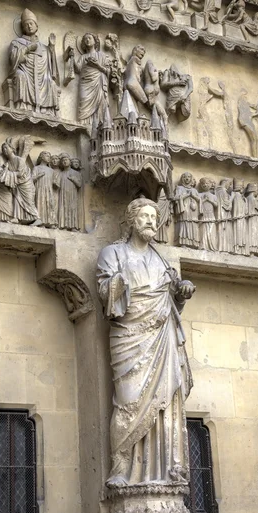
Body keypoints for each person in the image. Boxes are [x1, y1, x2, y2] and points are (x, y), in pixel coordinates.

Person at [96, 197, 195, 487]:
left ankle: (167, 468)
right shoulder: (112, 253)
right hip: (129, 335)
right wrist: (120, 283)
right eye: (145, 216)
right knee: (127, 400)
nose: (152, 221)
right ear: (130, 221)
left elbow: (172, 301)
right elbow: (105, 293)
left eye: (155, 217)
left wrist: (181, 292)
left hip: (161, 336)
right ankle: (120, 465)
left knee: (165, 402)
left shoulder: (161, 260)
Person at [8, 9, 59, 115]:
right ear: (22, 28)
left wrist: (52, 49)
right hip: (26, 74)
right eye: (26, 25)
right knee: (20, 75)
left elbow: (52, 69)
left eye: (31, 24)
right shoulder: (17, 43)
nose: (29, 26)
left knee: (50, 81)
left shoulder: (44, 48)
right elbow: (13, 59)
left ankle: (47, 109)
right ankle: (23, 104)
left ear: (37, 26)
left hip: (41, 77)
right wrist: (27, 48)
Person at [72, 32, 111, 124]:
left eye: (89, 38)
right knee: (83, 101)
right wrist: (72, 58)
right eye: (85, 39)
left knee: (99, 104)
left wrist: (97, 66)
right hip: (85, 83)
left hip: (97, 82)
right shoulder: (83, 57)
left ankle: (97, 125)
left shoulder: (101, 55)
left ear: (95, 41)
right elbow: (77, 69)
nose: (87, 40)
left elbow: (108, 71)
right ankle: (84, 125)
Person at [32, 150, 58, 227]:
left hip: (49, 190)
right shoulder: (36, 168)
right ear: (41, 157)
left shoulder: (51, 170)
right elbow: (31, 179)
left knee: (50, 204)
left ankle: (51, 222)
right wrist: (38, 176)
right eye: (47, 156)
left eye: (49, 157)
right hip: (39, 189)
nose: (49, 158)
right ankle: (40, 221)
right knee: (40, 203)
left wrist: (56, 183)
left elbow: (55, 182)